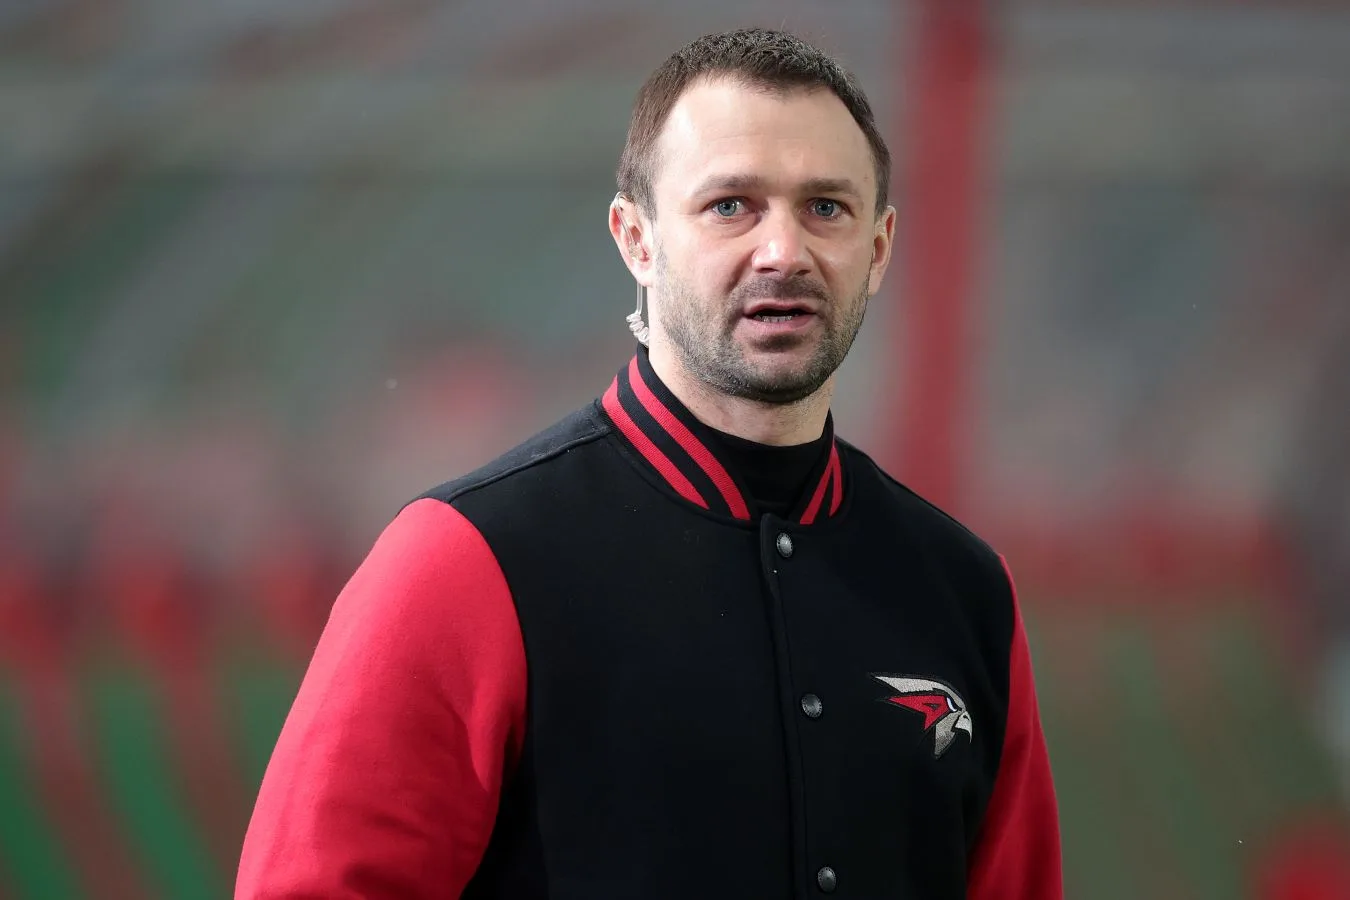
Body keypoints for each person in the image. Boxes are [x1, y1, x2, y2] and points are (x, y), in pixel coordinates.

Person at [236, 27, 1062, 900]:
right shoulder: (464, 562)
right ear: (636, 239)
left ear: (880, 248)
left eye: (826, 207)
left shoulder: (965, 592)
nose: (783, 251)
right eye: (731, 205)